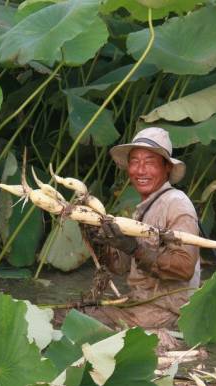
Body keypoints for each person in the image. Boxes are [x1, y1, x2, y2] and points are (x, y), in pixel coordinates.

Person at [83, 127, 201, 329]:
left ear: (167, 168)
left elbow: (184, 268)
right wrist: (99, 239)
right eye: (135, 162)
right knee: (79, 312)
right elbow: (120, 268)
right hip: (142, 303)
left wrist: (134, 248)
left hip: (167, 311)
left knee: (69, 320)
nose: (140, 170)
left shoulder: (176, 204)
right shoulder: (144, 209)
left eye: (149, 162)